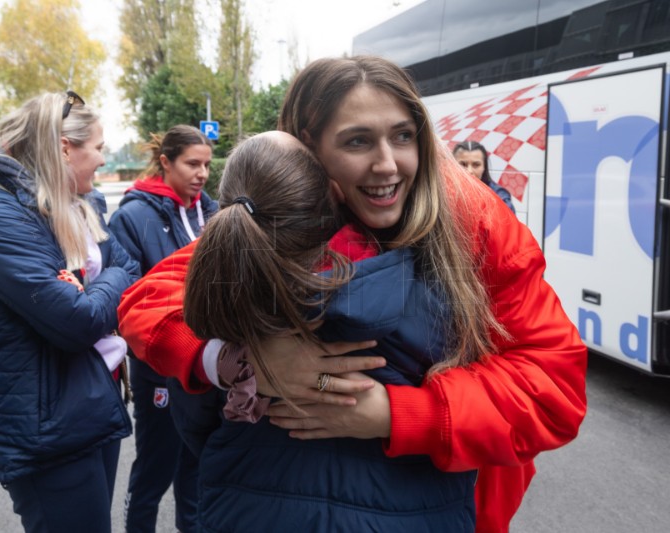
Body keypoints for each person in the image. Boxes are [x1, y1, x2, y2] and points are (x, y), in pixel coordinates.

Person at [118, 56, 588, 532]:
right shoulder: (278, 217)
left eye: (403, 136)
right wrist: (242, 361)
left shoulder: (475, 220)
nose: (387, 164)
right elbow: (147, 302)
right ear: (308, 146)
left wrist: (400, 415)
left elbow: (553, 388)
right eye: (358, 141)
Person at [0, 91, 141, 533]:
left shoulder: (81, 204)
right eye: (98, 147)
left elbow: (130, 264)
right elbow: (78, 321)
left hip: (94, 399)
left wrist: (96, 287)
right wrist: (108, 284)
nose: (103, 158)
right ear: (63, 148)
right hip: (45, 427)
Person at [108, 124, 217, 533]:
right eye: (192, 164)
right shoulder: (132, 216)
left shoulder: (214, 211)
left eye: (206, 164)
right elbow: (131, 295)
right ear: (166, 162)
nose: (201, 173)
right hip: (158, 367)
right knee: (155, 470)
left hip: (205, 369)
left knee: (195, 471)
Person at [452, 140, 516, 213]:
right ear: (452, 165)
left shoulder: (499, 196)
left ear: (484, 167)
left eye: (476, 165)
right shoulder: (441, 194)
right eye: (463, 164)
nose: (469, 171)